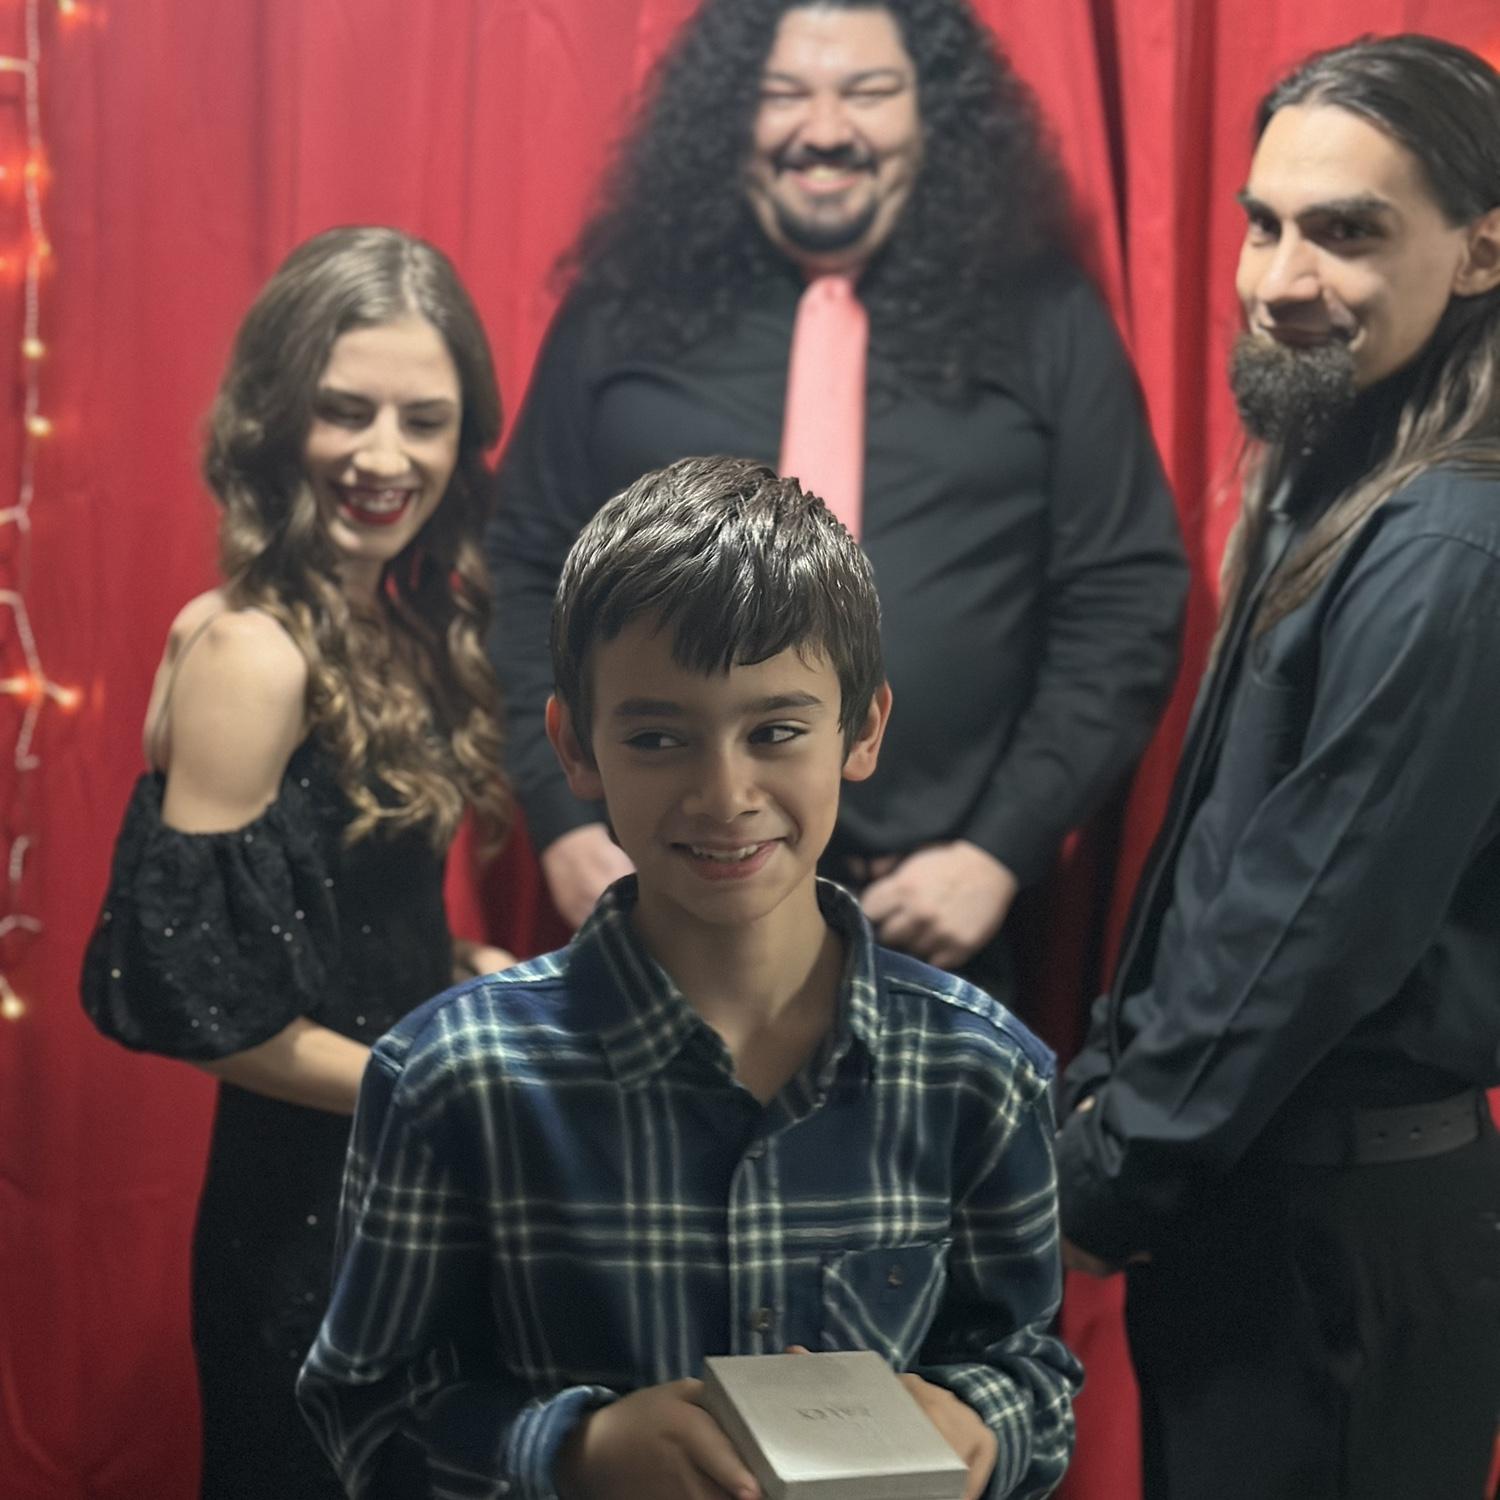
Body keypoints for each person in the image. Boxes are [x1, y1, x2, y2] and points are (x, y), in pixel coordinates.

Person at [298, 456, 1082, 1500]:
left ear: (862, 729)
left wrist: (981, 1424)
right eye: (659, 737)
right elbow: (366, 1415)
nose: (724, 794)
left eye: (776, 731)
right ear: (576, 747)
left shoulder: (983, 1068)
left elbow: (1031, 1370)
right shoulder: (453, 1077)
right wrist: (576, 1453)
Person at [489, 0, 1187, 1001]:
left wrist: (1000, 849)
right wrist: (561, 823)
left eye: (868, 91)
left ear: (933, 113)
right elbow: (525, 568)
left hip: (931, 927)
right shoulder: (623, 309)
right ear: (732, 115)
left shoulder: (1044, 317)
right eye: (784, 93)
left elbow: (1124, 597)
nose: (824, 128)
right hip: (657, 905)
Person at [1054, 34, 1500, 1500]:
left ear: (1482, 253)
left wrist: (1113, 1167)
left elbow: (1310, 919)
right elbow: (1222, 864)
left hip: (1339, 1242)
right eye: (1264, 223)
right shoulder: (1347, 474)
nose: (1281, 279)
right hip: (1260, 1209)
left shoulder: (1451, 543)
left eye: (1347, 233)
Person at [80, 226, 514, 1499]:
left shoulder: (398, 626)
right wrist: (447, 1087)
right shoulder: (252, 652)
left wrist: (456, 965)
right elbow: (206, 1012)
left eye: (425, 421)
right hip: (306, 1234)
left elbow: (333, 923)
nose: (386, 456)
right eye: (345, 410)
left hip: (401, 1196)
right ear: (275, 420)